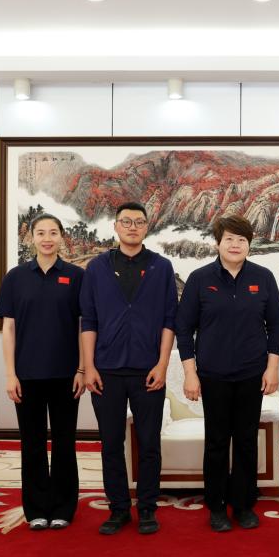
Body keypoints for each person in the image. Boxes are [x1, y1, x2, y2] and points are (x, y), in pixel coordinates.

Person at [175, 215, 279, 532]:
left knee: (247, 441)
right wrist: (190, 373)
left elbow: (276, 326)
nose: (235, 245)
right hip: (213, 375)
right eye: (229, 239)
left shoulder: (263, 278)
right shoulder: (200, 279)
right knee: (217, 442)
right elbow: (184, 329)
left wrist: (272, 368)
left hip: (252, 374)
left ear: (249, 245)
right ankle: (217, 506)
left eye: (242, 240)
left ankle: (244, 504)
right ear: (218, 243)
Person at [80, 202, 178, 536]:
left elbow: (169, 320)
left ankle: (147, 508)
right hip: (106, 371)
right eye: (126, 221)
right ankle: (119, 508)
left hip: (148, 371)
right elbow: (88, 321)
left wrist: (162, 365)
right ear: (116, 226)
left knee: (149, 443)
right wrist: (89, 367)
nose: (132, 227)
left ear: (147, 227)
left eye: (138, 222)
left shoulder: (161, 267)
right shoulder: (97, 268)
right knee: (110, 444)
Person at [0, 213, 84, 531]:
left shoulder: (76, 276)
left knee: (64, 442)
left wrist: (82, 368)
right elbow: (8, 329)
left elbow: (83, 326)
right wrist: (10, 374)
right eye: (41, 232)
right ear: (31, 237)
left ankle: (63, 508)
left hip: (66, 374)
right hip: (27, 375)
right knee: (31, 443)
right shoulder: (16, 277)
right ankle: (35, 509)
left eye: (53, 232)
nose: (47, 238)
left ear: (62, 237)